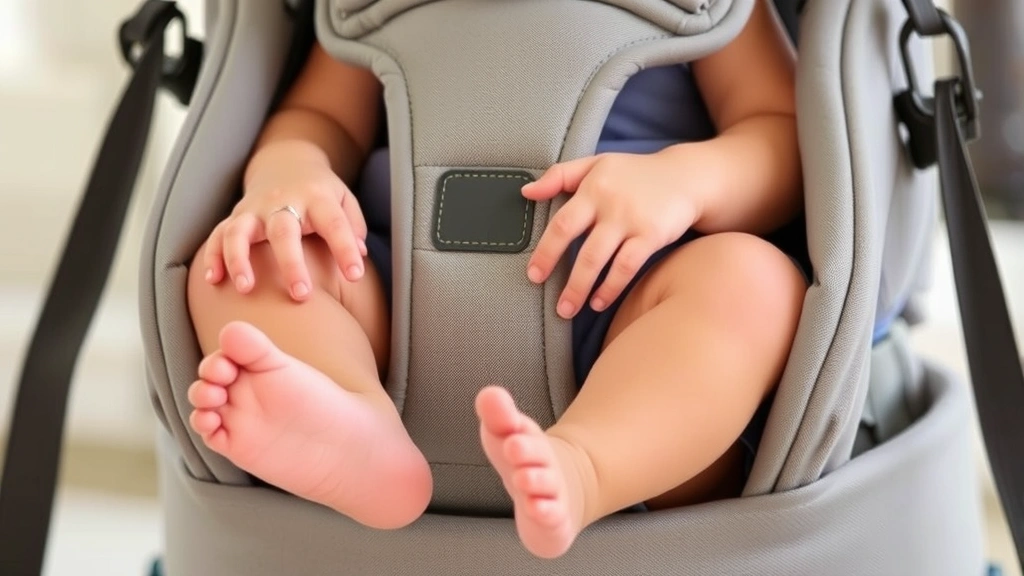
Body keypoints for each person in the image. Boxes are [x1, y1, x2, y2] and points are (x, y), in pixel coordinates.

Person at [185, 0, 807, 560]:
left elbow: (780, 134)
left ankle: (588, 468)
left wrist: (689, 180)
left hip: (629, 306)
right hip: (390, 304)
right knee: (240, 263)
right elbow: (319, 116)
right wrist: (291, 171)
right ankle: (352, 425)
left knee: (754, 285)